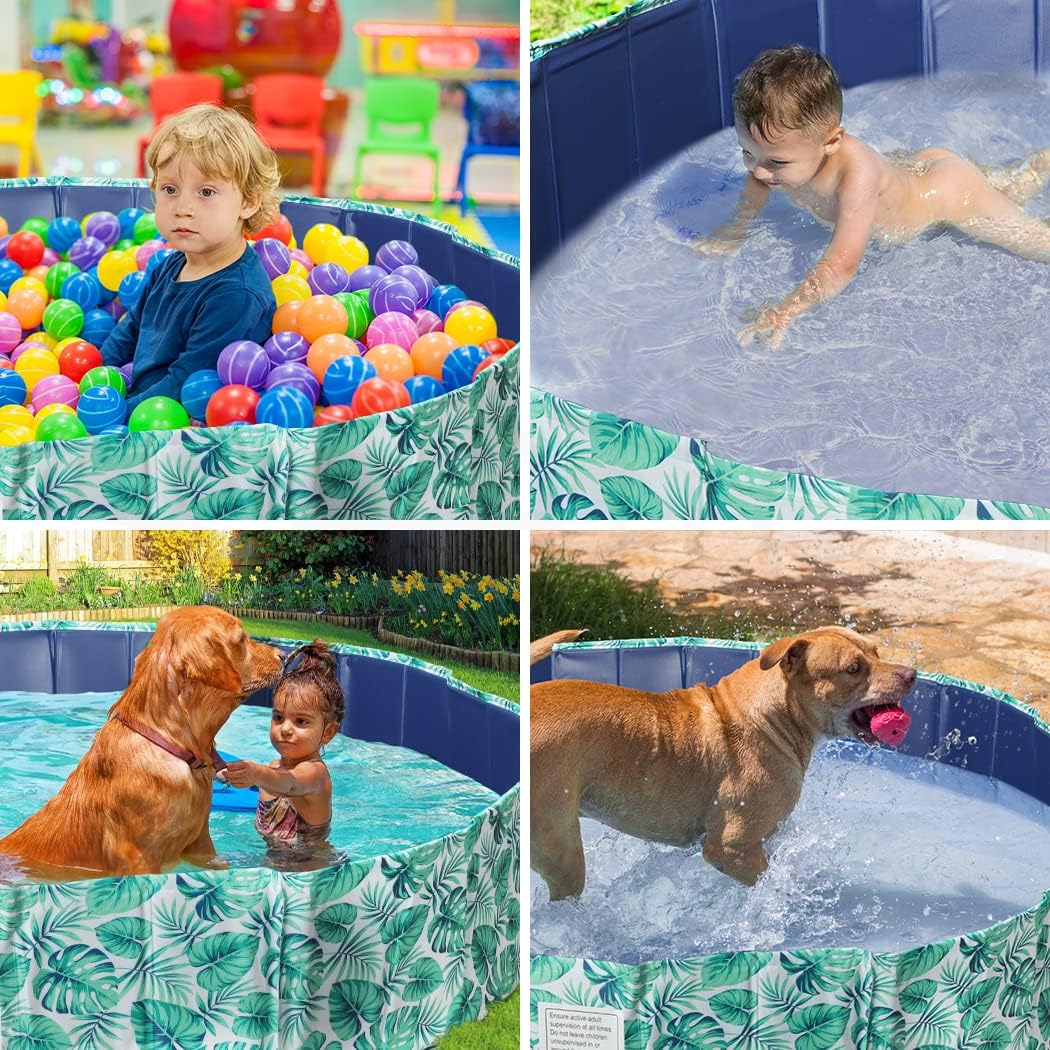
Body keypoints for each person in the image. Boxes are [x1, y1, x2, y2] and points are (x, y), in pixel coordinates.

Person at [693, 46, 1050, 348]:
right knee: (1008, 191)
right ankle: (1034, 169)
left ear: (831, 142)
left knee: (1034, 241)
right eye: (747, 153)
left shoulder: (857, 177)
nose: (758, 171)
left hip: (947, 193)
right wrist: (735, 229)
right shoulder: (773, 161)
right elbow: (756, 184)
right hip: (914, 170)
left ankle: (1038, 167)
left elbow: (842, 264)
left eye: (776, 163)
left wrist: (786, 310)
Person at [101, 103, 279, 409]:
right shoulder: (171, 263)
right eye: (170, 189)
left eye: (206, 192)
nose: (183, 208)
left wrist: (118, 414)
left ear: (248, 202)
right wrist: (94, 379)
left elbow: (187, 385)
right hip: (140, 400)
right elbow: (131, 328)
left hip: (175, 422)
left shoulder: (236, 295)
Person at [220, 641, 343, 865]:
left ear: (328, 733)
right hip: (275, 863)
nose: (285, 728)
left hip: (311, 872)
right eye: (278, 717)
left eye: (301, 721)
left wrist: (255, 773)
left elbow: (290, 784)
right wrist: (217, 769)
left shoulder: (315, 775)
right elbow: (268, 779)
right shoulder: (274, 767)